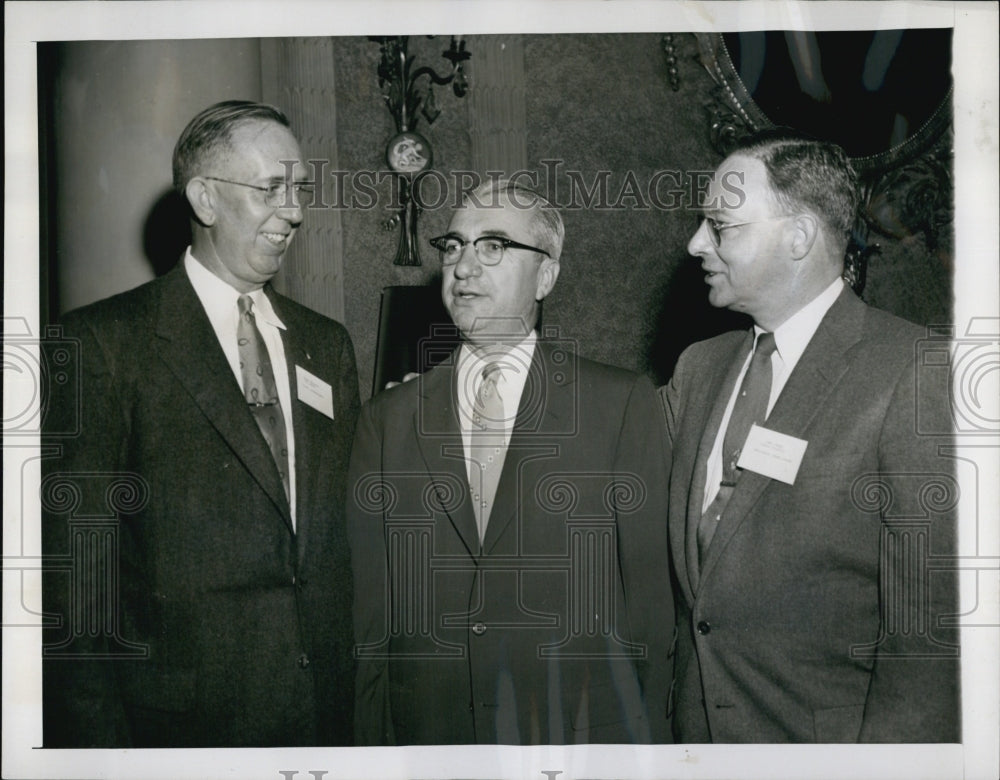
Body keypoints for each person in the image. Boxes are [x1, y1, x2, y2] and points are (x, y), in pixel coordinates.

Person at [41, 100, 360, 747]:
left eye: (299, 189)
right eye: (272, 188)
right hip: (182, 729)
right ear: (206, 199)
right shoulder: (103, 344)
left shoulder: (326, 345)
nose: (295, 210)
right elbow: (75, 588)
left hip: (324, 717)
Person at [347, 179, 672, 745]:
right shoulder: (387, 420)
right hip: (429, 740)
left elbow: (651, 613)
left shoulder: (618, 406)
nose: (464, 267)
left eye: (493, 246)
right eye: (454, 246)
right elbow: (370, 620)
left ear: (546, 274)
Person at [662, 129, 959, 742]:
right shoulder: (698, 367)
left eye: (720, 225)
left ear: (798, 237)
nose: (695, 244)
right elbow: (609, 455)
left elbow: (928, 629)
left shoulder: (912, 370)